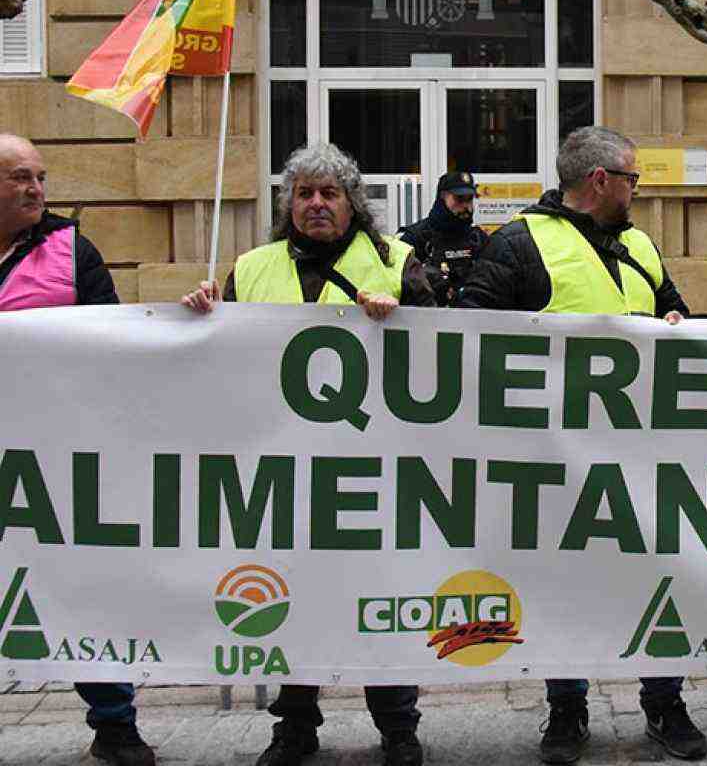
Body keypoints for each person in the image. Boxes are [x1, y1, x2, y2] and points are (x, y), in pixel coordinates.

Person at [457, 126, 704, 764]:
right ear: (600, 180)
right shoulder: (519, 243)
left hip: (643, 455)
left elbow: (674, 312)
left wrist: (678, 324)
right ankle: (566, 708)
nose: (636, 190)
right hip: (555, 459)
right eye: (632, 179)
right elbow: (468, 334)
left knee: (658, 577)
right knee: (562, 585)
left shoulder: (640, 245)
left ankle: (664, 701)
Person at [182, 142, 428, 766]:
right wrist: (202, 314)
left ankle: (398, 727)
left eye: (329, 193)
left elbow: (442, 347)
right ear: (287, 203)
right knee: (291, 598)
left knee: (377, 597)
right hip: (281, 466)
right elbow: (219, 360)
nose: (316, 204)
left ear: (352, 203)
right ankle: (294, 728)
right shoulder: (251, 268)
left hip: (373, 468)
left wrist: (404, 317)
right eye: (303, 193)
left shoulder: (397, 262)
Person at [0, 134, 151, 765]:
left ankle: (115, 724)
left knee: (77, 586)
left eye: (40, 176)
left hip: (53, 458)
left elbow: (108, 345)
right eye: (20, 177)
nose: (36, 188)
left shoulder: (71, 250)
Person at [398, 169, 487, 306]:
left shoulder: (477, 238)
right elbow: (394, 285)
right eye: (459, 199)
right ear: (442, 197)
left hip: (471, 314)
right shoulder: (417, 237)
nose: (466, 206)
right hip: (427, 315)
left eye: (469, 199)